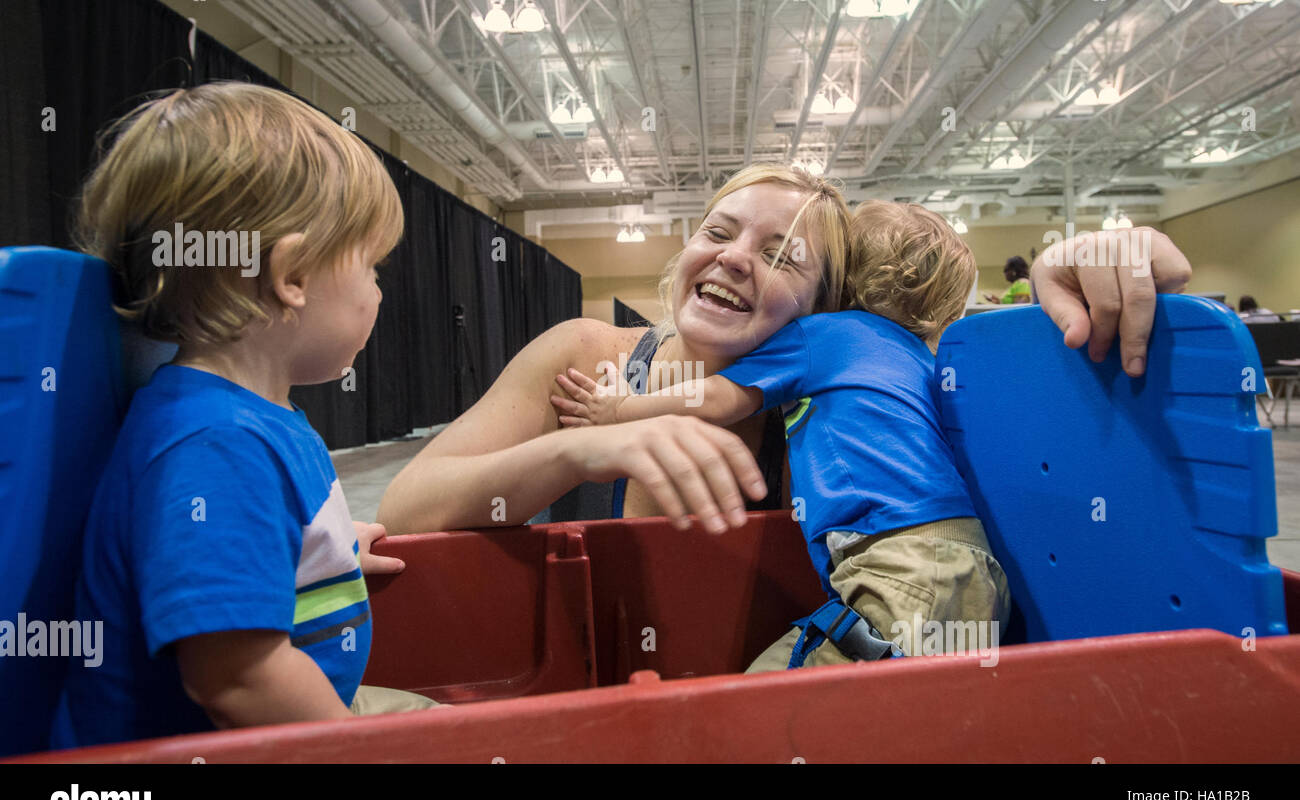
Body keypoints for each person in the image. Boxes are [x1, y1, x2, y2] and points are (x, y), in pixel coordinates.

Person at [377, 163, 1194, 535]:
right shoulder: (587, 354)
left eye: (780, 255)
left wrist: (1096, 269)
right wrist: (587, 447)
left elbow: (1071, 453)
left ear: (822, 311)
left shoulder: (844, 413)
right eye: (719, 232)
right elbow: (406, 509)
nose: (734, 257)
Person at [53, 82, 432, 749]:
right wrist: (355, 747)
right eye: (372, 267)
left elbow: (239, 560)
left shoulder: (247, 414)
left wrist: (323, 559)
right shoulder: (215, 444)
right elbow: (239, 680)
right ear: (291, 276)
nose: (377, 293)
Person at [551, 201, 1009, 669]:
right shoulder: (918, 358)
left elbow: (718, 398)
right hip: (975, 568)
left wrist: (623, 408)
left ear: (841, 280)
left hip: (898, 567)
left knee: (763, 705)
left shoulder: (823, 333)